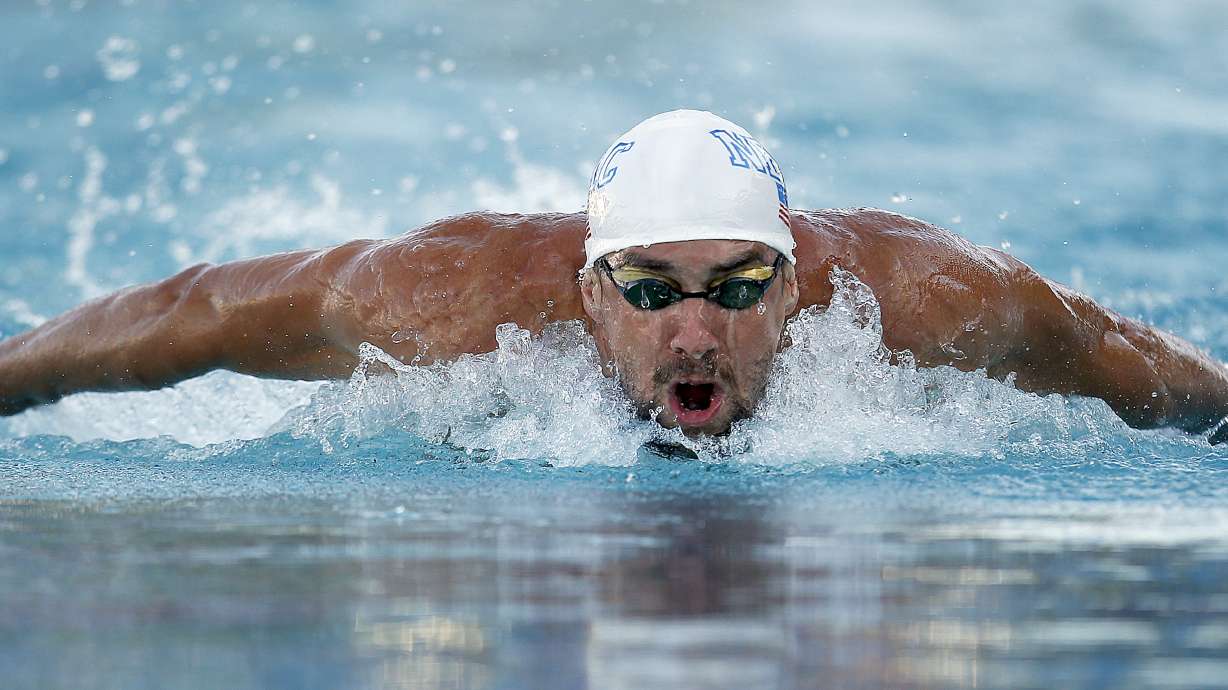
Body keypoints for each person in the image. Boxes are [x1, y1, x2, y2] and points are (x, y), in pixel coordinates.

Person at [2, 110, 1226, 443]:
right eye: (650, 289)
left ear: (793, 284)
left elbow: (1123, 357)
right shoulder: (449, 302)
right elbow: (192, 312)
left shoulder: (923, 301)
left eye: (734, 287)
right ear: (588, 291)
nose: (693, 330)